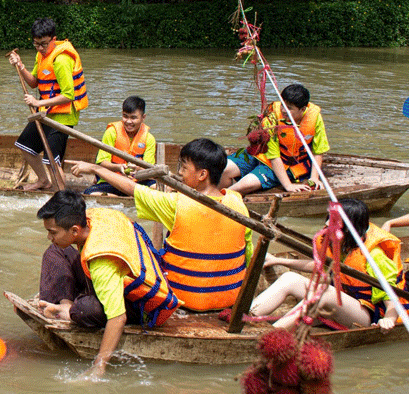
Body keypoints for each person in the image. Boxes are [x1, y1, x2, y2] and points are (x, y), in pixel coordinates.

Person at [69, 138, 253, 312]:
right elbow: (248, 255)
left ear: (202, 174)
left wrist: (96, 168)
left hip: (182, 299)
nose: (179, 172)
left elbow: (131, 188)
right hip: (229, 299)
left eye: (184, 167)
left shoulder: (176, 203)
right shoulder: (238, 204)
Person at [35, 190, 179, 379]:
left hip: (142, 306)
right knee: (54, 252)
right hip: (117, 278)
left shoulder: (102, 263)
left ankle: (71, 311)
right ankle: (65, 304)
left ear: (75, 230)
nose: (49, 236)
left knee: (84, 310)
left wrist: (99, 367)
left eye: (52, 232)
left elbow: (118, 319)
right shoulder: (93, 216)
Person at [249, 198, 406, 332]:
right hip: (343, 300)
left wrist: (389, 319)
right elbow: (320, 266)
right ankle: (247, 316)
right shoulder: (336, 242)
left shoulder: (375, 256)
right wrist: (279, 261)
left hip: (369, 313)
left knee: (324, 292)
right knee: (289, 277)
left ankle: (272, 334)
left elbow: (390, 296)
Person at [7, 17, 88, 191]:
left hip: (64, 116)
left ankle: (61, 194)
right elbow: (34, 82)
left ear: (53, 39)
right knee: (25, 145)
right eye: (36, 44)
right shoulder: (41, 55)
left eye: (44, 44)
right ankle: (44, 181)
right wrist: (20, 66)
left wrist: (38, 102)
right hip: (47, 112)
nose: (41, 48)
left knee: (51, 159)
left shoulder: (61, 60)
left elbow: (68, 95)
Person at [220, 83, 330, 194]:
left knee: (243, 185)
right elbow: (273, 155)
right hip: (263, 155)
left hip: (289, 164)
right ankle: (217, 200)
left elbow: (318, 150)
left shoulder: (314, 118)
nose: (283, 110)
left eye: (289, 108)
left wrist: (314, 178)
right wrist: (288, 185)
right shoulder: (272, 117)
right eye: (282, 105)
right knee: (224, 170)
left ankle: (220, 199)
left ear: (302, 109)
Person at [83, 96, 156, 195]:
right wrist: (118, 167)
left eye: (133, 118)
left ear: (143, 117)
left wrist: (136, 169)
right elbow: (101, 162)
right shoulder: (111, 132)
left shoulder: (149, 138)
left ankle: (126, 197)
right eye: (125, 116)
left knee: (156, 188)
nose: (128, 121)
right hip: (113, 181)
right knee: (90, 193)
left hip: (137, 183)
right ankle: (129, 198)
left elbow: (149, 169)